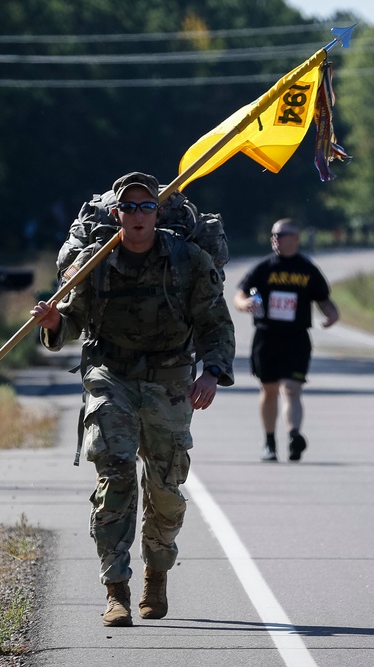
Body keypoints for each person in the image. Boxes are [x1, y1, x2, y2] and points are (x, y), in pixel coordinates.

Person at [30, 172, 235, 627]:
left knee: (164, 489)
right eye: (129, 208)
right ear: (117, 214)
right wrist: (49, 320)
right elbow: (69, 324)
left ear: (158, 213)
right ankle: (115, 590)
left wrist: (213, 373)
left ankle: (156, 575)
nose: (138, 215)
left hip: (170, 378)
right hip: (112, 375)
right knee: (115, 474)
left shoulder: (188, 260)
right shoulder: (93, 263)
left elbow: (215, 322)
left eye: (146, 207)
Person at [233, 218, 339, 463]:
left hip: (296, 338)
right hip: (267, 337)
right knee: (269, 390)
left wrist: (332, 314)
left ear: (295, 238)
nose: (276, 239)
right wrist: (244, 304)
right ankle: (269, 443)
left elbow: (324, 299)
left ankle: (293, 436)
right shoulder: (263, 268)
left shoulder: (307, 269)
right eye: (274, 235)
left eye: (281, 235)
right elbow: (239, 294)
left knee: (292, 388)